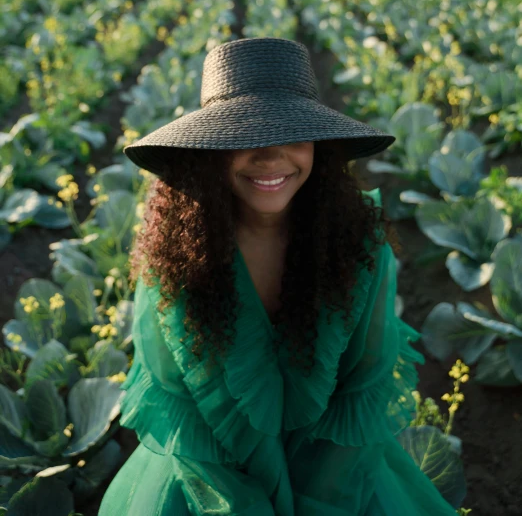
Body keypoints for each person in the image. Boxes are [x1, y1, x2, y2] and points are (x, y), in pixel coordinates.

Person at [99, 37, 457, 515]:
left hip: (338, 472)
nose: (270, 158)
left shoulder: (359, 244)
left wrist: (318, 505)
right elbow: (179, 403)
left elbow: (362, 386)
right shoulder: (175, 253)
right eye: (242, 139)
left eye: (293, 136)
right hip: (208, 479)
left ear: (321, 148)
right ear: (208, 154)